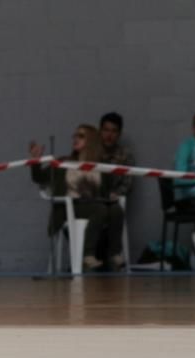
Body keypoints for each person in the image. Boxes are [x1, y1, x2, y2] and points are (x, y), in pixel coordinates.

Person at [29, 125, 125, 271]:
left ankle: (114, 253)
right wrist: (36, 161)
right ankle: (88, 255)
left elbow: (106, 190)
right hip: (71, 206)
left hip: (94, 204)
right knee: (99, 209)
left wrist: (111, 195)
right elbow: (39, 178)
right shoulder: (63, 162)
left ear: (92, 140)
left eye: (80, 136)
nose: (75, 139)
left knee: (117, 209)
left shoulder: (100, 166)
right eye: (74, 136)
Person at [98, 112, 135, 201]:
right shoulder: (92, 152)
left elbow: (127, 184)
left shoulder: (125, 156)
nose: (109, 135)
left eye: (114, 131)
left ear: (119, 133)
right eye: (106, 130)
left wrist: (116, 194)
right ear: (100, 131)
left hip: (114, 200)